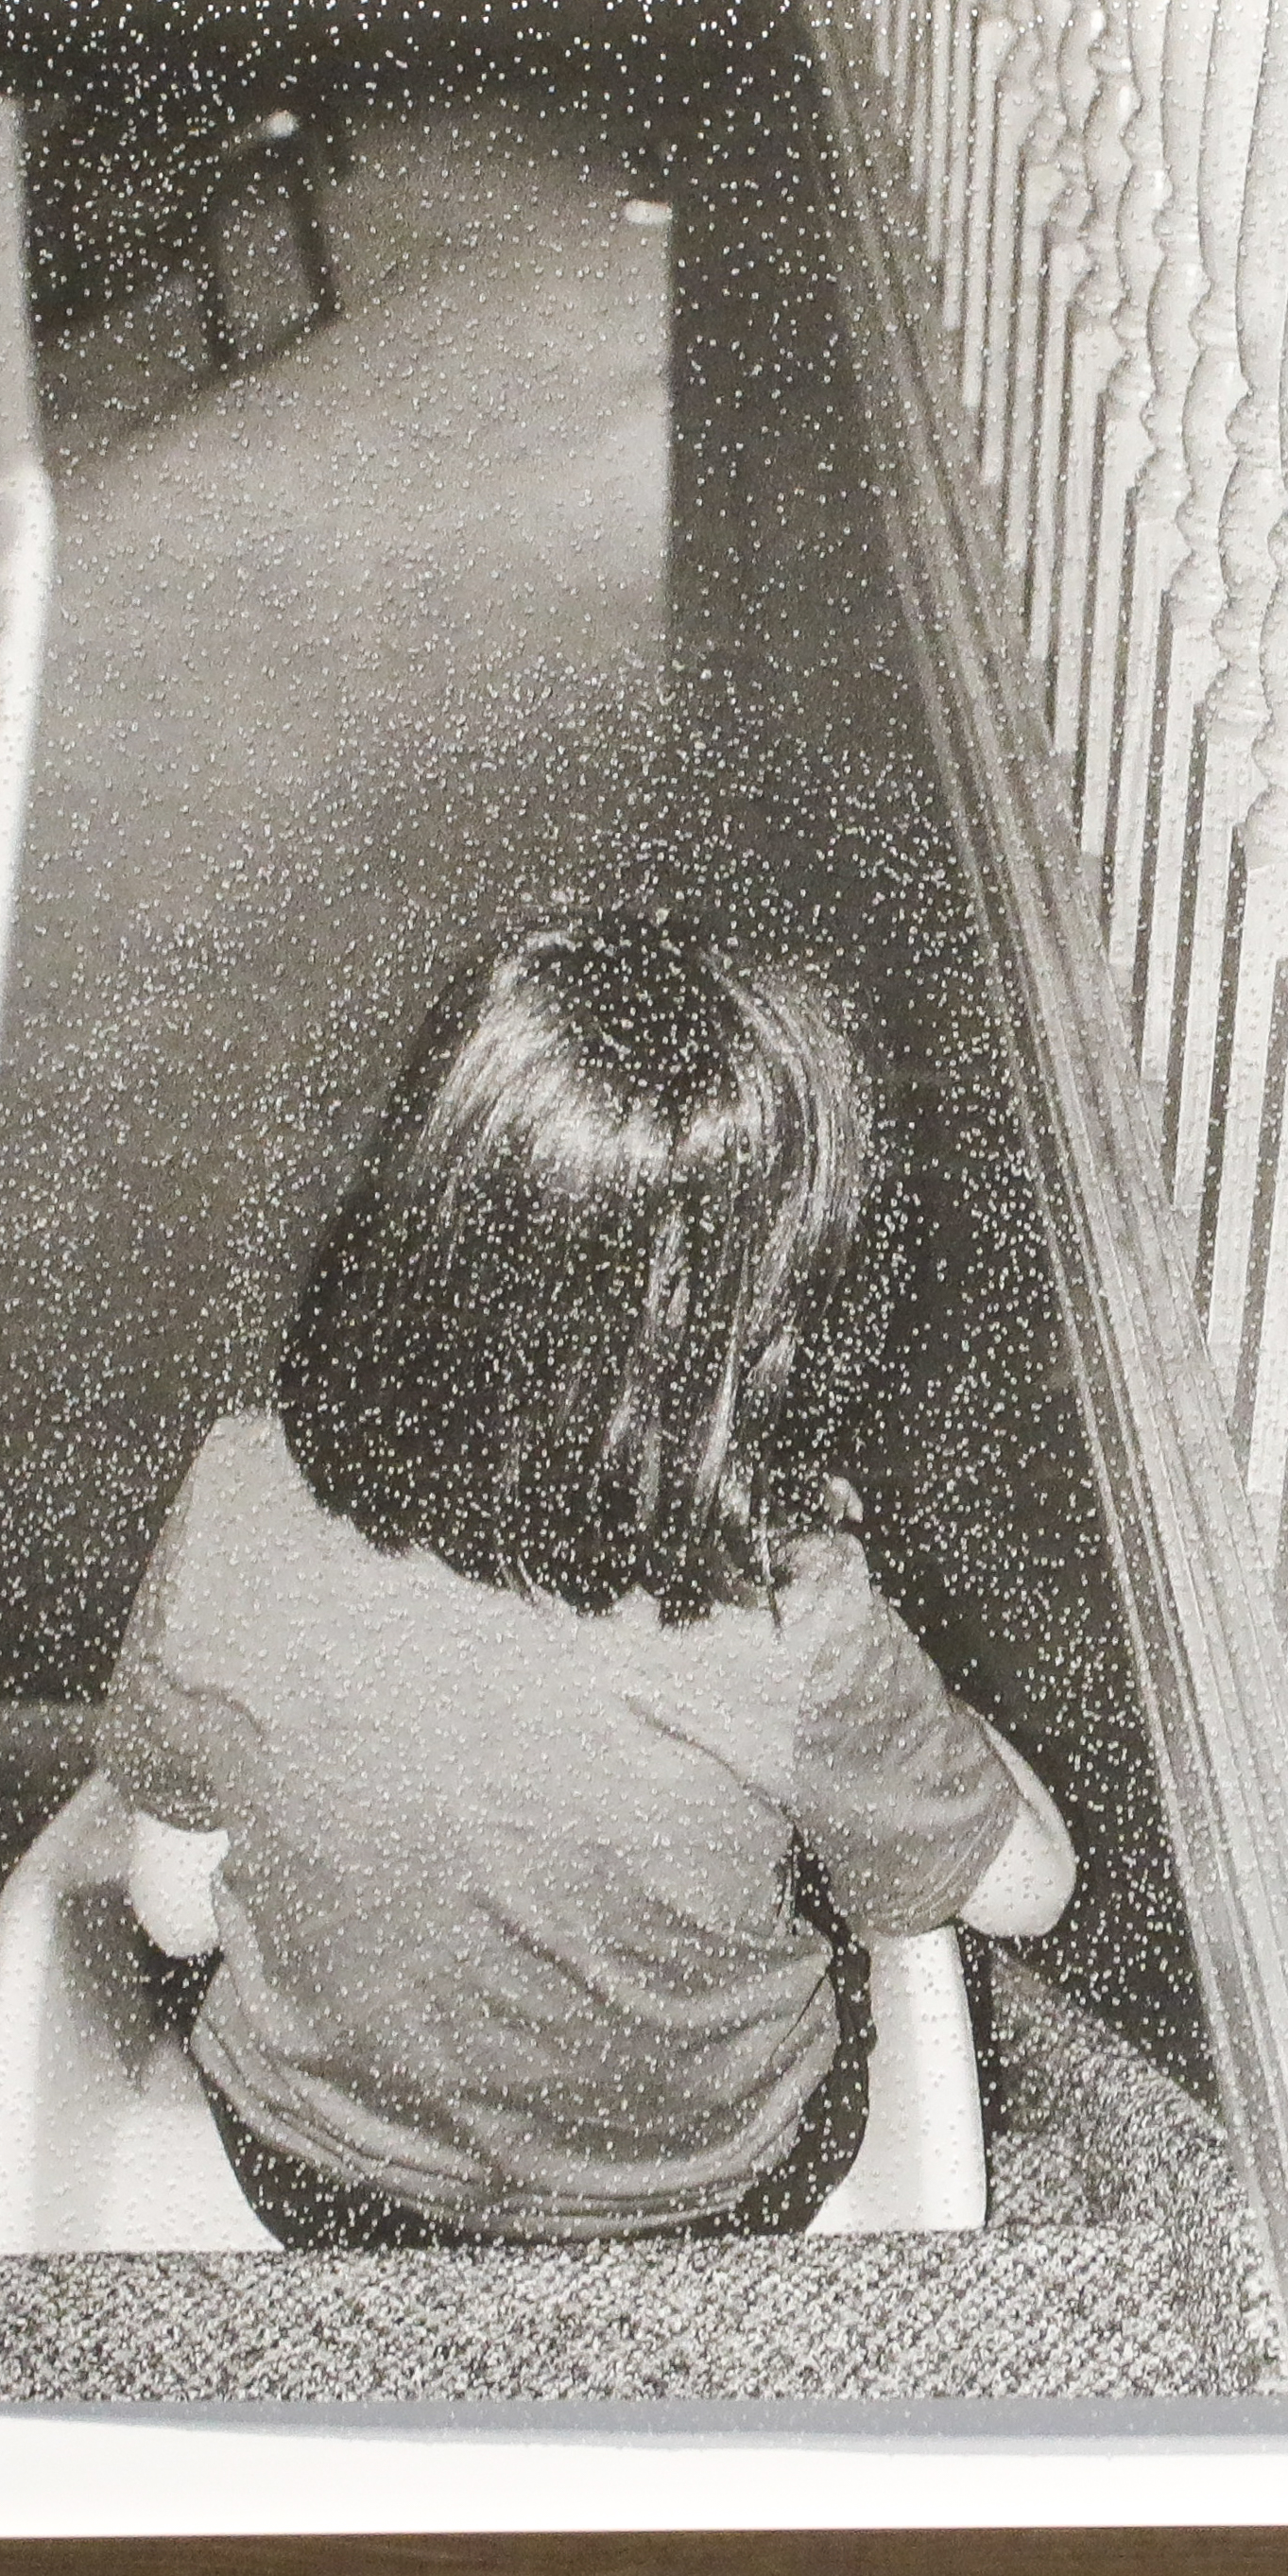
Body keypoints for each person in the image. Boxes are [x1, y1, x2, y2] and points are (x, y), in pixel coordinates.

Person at [97, 919, 1074, 2244]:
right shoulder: (797, 1604)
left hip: (314, 2186)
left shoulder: (239, 1490)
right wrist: (950, 1738)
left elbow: (171, 1911)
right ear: (762, 1310)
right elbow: (1030, 1890)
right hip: (707, 2201)